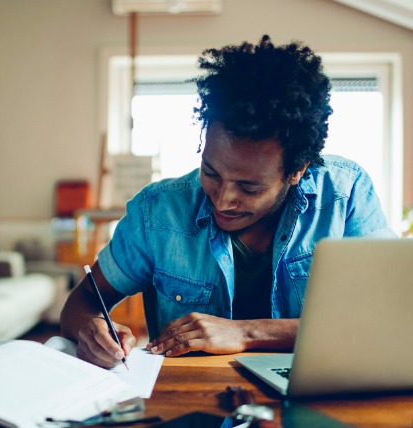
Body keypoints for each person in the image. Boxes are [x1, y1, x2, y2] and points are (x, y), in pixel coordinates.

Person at [60, 35, 394, 368]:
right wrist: (92, 328)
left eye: (249, 188)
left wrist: (248, 332)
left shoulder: (345, 195)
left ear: (296, 171)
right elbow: (83, 301)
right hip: (191, 406)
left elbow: (387, 319)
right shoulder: (157, 212)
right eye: (211, 172)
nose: (222, 199)